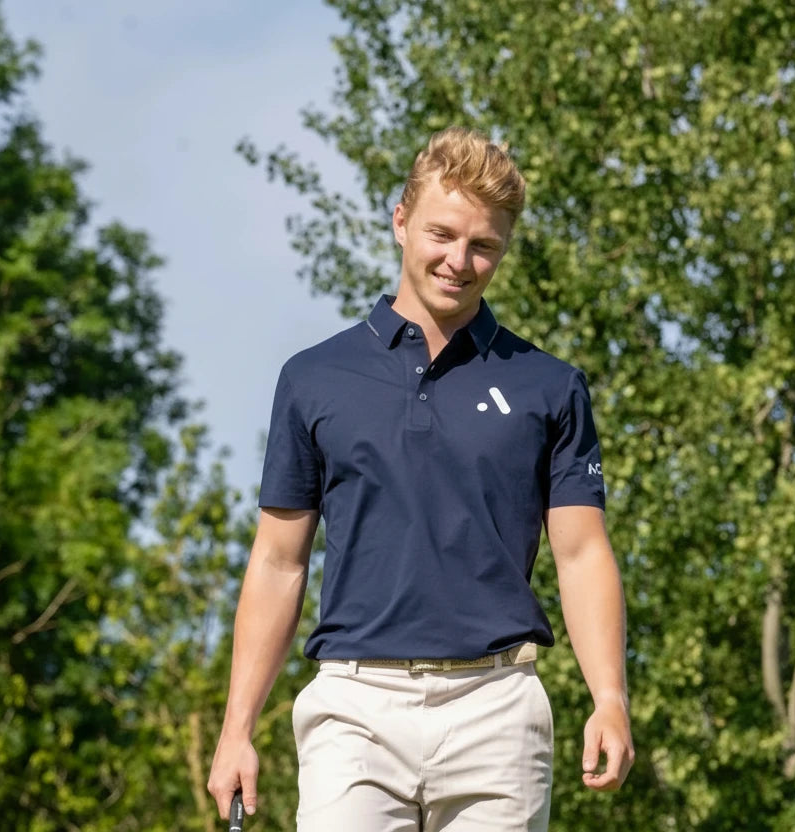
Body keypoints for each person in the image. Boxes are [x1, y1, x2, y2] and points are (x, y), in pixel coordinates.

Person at [207, 126, 634, 831]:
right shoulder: (313, 378)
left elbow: (583, 553)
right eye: (442, 234)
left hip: (499, 710)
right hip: (353, 710)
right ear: (401, 221)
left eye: (483, 245)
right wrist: (236, 730)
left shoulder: (549, 386)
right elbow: (279, 562)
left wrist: (610, 699)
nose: (459, 262)